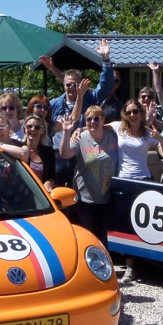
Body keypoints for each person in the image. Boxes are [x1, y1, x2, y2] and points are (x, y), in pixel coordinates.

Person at [58, 105, 117, 248]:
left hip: (108, 197)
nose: (92, 122)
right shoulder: (80, 137)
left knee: (105, 237)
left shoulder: (113, 136)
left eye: (96, 118)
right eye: (88, 119)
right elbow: (65, 154)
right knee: (88, 237)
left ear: (103, 120)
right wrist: (67, 132)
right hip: (85, 198)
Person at [39, 39, 115, 127]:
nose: (71, 87)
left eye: (75, 85)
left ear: (80, 85)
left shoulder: (90, 100)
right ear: (64, 85)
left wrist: (106, 59)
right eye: (68, 85)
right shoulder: (53, 104)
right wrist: (52, 68)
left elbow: (105, 86)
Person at [109, 100, 163, 179]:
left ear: (141, 113)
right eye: (128, 113)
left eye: (135, 112)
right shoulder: (118, 126)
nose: (132, 115)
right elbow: (99, 127)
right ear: (125, 115)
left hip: (144, 178)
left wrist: (161, 139)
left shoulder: (149, 133)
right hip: (124, 179)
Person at [22, 114, 57, 191]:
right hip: (20, 195)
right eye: (29, 126)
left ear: (42, 130)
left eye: (37, 127)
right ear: (25, 129)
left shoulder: (49, 151)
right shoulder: (17, 148)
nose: (33, 129)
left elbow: (52, 176)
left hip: (41, 195)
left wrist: (49, 182)